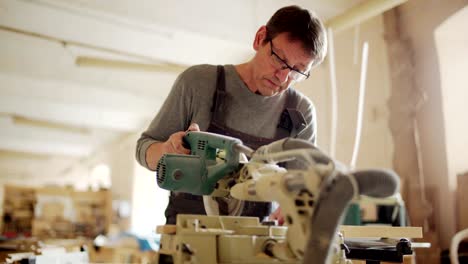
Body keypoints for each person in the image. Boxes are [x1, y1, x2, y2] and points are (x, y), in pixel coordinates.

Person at [136, 5, 327, 225]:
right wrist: (167, 150)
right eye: (279, 59)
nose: (283, 77)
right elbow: (143, 148)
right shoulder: (199, 83)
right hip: (189, 234)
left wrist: (295, 205)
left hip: (257, 242)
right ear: (260, 38)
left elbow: (302, 189)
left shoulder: (300, 112)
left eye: (297, 70)